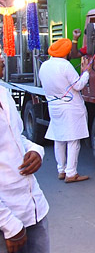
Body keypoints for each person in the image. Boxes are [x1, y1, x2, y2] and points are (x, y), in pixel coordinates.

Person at [0, 56, 50, 253]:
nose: (3, 59)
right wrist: (9, 225)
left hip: (34, 210)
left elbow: (16, 137)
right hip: (8, 222)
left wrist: (36, 150)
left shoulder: (4, 93)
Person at [38, 38, 90, 183]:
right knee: (73, 140)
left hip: (53, 106)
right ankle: (71, 173)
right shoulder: (65, 65)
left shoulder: (45, 66)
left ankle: (61, 170)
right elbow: (78, 85)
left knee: (59, 139)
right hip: (70, 107)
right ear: (66, 53)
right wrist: (86, 72)